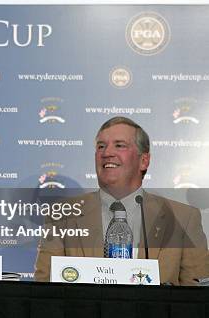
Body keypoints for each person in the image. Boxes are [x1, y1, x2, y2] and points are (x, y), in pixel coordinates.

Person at [34, 116, 209, 285]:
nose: (107, 153)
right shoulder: (62, 215)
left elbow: (198, 300)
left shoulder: (184, 218)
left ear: (144, 160)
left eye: (119, 145)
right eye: (101, 146)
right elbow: (44, 293)